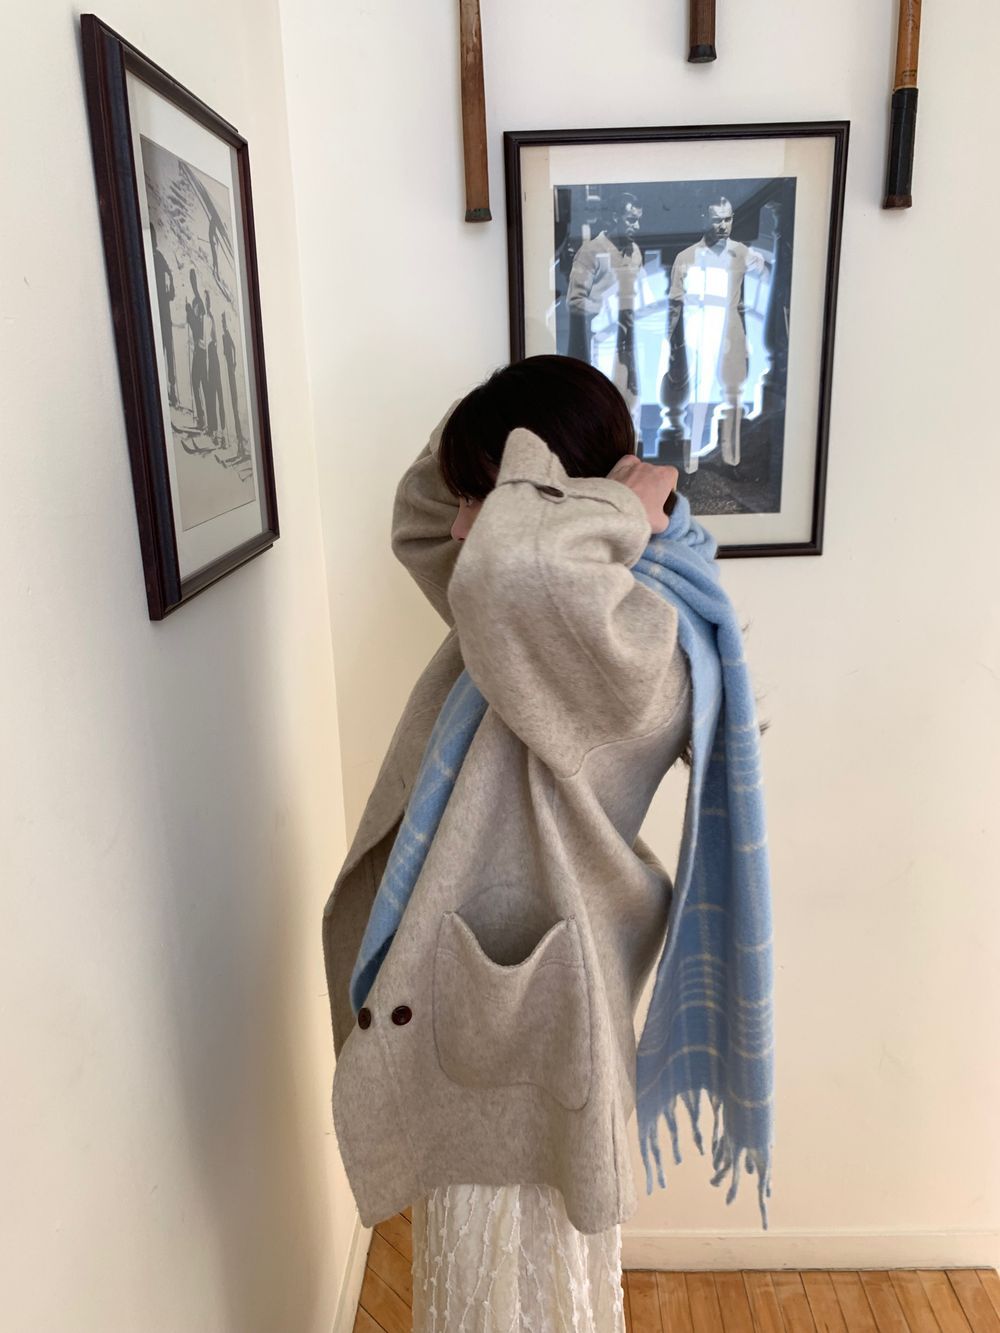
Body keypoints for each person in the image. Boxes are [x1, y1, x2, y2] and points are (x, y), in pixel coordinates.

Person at [324, 355, 690, 1331]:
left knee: (529, 1296)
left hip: (531, 1021)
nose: (457, 527)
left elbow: (503, 566)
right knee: (476, 1284)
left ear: (546, 496)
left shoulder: (624, 631)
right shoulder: (530, 603)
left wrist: (608, 499)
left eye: (477, 498)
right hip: (487, 1006)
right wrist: (500, 415)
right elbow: (421, 521)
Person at [658, 196, 768, 471]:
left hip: (731, 327)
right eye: (717, 219)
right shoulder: (687, 257)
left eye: (727, 219)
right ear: (705, 219)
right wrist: (673, 340)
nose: (723, 225)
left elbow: (764, 272)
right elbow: (675, 303)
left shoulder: (741, 252)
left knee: (734, 392)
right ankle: (692, 462)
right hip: (700, 328)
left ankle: (732, 460)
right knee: (700, 393)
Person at [566, 191, 646, 431]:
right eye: (631, 220)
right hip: (601, 343)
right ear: (613, 217)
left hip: (630, 343)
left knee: (630, 406)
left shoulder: (635, 251)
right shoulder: (591, 252)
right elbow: (574, 301)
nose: (637, 226)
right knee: (603, 410)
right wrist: (607, 310)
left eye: (638, 220)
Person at [150, 224, 178, 408]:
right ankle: (166, 390)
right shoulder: (156, 258)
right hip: (159, 316)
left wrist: (170, 290)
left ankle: (171, 390)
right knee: (162, 352)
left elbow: (171, 285)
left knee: (165, 352)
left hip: (163, 316)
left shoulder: (158, 258)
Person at [184, 269, 209, 432]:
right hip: (199, 351)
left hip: (201, 352)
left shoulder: (198, 303)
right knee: (198, 382)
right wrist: (189, 313)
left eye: (193, 280)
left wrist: (189, 312)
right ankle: (203, 419)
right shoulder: (196, 301)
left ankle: (203, 419)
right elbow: (192, 323)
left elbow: (197, 327)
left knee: (198, 382)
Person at [204, 291, 226, 445]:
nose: (207, 303)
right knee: (211, 397)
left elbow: (215, 340)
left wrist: (212, 344)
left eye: (208, 300)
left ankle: (221, 433)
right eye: (206, 300)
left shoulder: (211, 318)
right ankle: (213, 430)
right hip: (209, 362)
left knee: (218, 397)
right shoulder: (205, 318)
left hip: (215, 363)